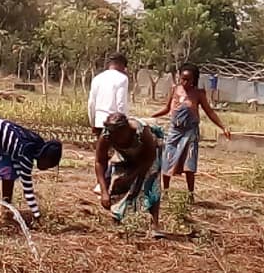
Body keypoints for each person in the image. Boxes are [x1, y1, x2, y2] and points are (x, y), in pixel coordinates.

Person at [0, 114, 63, 225]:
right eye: (48, 165)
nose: (46, 168)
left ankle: (6, 211)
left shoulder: (36, 146)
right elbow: (28, 190)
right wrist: (37, 216)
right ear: (45, 157)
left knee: (9, 171)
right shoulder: (26, 153)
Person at [153, 63, 231, 199]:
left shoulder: (198, 94)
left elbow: (210, 112)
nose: (184, 82)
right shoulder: (175, 90)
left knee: (189, 165)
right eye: (182, 78)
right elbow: (166, 109)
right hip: (174, 131)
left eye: (188, 79)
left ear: (194, 79)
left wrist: (223, 127)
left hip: (190, 133)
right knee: (167, 162)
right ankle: (165, 192)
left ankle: (190, 195)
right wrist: (150, 118)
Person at [95, 113, 165, 238]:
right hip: (126, 155)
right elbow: (100, 161)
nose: (115, 138)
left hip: (149, 155)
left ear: (126, 130)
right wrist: (104, 192)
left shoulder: (142, 132)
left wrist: (134, 176)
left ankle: (155, 224)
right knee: (118, 181)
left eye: (118, 135)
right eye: (113, 136)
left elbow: (149, 158)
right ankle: (117, 217)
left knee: (151, 184)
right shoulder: (106, 136)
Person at [88, 52, 129, 192]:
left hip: (100, 120)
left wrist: (92, 122)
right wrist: (124, 124)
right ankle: (108, 183)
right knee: (115, 154)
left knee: (101, 154)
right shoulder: (122, 79)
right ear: (122, 65)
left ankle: (100, 184)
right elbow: (121, 104)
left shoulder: (97, 78)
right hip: (115, 123)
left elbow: (91, 103)